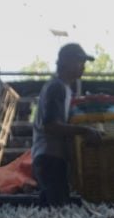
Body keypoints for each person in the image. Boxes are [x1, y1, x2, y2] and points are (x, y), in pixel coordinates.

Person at [32, 43, 104, 206]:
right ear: (66, 62)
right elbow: (51, 125)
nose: (83, 67)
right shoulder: (57, 87)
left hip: (52, 158)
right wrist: (85, 131)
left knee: (51, 209)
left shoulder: (65, 88)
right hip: (49, 158)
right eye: (80, 62)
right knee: (57, 208)